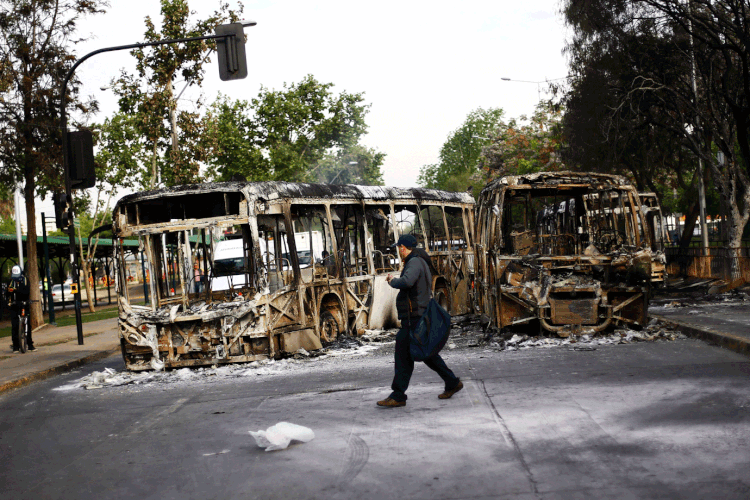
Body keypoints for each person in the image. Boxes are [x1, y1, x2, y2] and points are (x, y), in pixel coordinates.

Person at [377, 234, 462, 408]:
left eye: (398, 248)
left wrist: (392, 281)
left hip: (414, 317)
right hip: (413, 316)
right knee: (421, 354)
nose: (398, 251)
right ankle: (451, 382)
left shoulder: (414, 262)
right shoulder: (417, 261)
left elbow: (407, 282)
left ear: (403, 247)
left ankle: (399, 395)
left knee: (413, 354)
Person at [8, 265, 34, 353]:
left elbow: (26, 292)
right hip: (14, 305)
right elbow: (8, 293)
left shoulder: (26, 281)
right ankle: (16, 346)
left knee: (28, 324)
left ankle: (30, 345)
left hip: (24, 303)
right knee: (15, 325)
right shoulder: (11, 282)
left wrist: (15, 290)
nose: (16, 279)